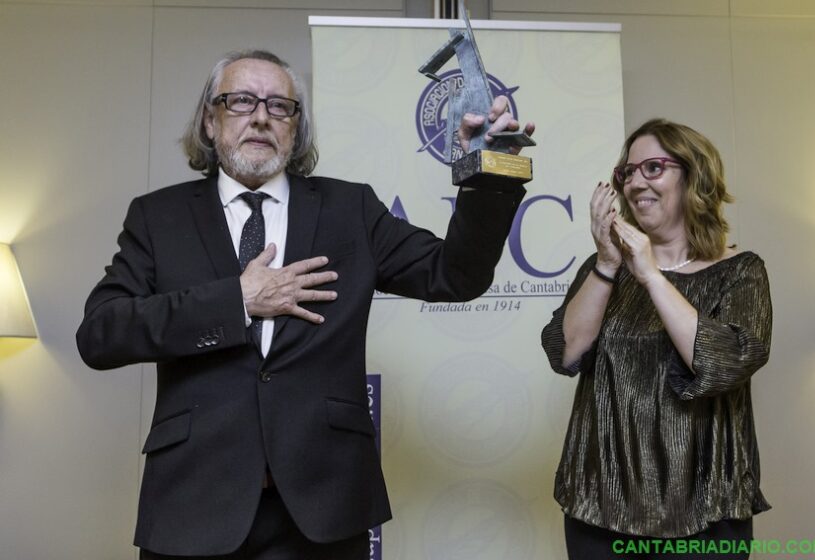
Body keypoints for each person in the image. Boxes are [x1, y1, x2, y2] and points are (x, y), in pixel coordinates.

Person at [76, 49, 534, 559]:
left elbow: (456, 275)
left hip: (325, 509)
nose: (260, 117)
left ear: (296, 129)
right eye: (241, 101)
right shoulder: (157, 217)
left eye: (279, 106)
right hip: (194, 506)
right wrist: (237, 300)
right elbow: (100, 333)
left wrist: (485, 170)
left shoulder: (351, 209)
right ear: (210, 120)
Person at [541, 119, 772, 559]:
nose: (634, 183)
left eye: (652, 168)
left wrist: (650, 274)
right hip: (601, 507)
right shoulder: (604, 271)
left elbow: (720, 363)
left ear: (693, 176)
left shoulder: (741, 271)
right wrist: (609, 264)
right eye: (627, 173)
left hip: (707, 508)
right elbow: (565, 352)